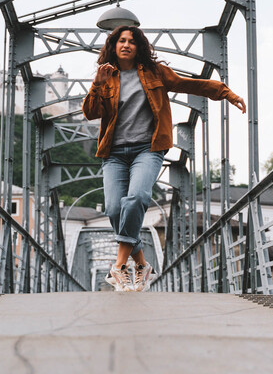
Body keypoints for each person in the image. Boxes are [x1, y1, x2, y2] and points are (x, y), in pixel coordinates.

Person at [82, 25, 246, 292]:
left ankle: (120, 266)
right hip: (114, 154)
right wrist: (97, 86)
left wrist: (225, 92)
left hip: (148, 149)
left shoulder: (155, 73)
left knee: (136, 199)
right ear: (113, 46)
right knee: (114, 209)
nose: (126, 45)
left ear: (139, 47)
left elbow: (189, 84)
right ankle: (142, 264)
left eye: (132, 42)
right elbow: (91, 113)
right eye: (121, 41)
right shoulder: (107, 77)